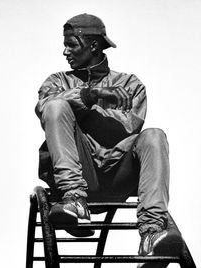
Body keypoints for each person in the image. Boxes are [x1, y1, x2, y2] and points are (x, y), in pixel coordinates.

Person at [35, 13, 183, 266]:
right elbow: (44, 108)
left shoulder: (130, 84)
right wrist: (90, 95)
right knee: (56, 106)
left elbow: (126, 129)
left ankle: (152, 233)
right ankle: (74, 200)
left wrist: (82, 109)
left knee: (154, 135)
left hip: (118, 175)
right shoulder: (57, 81)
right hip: (79, 172)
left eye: (71, 44)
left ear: (92, 45)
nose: (65, 52)